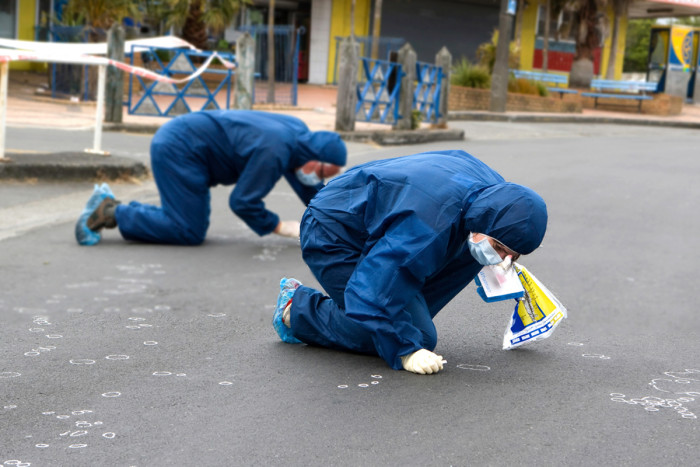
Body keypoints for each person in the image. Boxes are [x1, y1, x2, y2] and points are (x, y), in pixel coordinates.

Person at [271, 150, 548, 375]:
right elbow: (373, 289)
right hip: (334, 232)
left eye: (512, 255)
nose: (503, 259)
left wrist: (506, 267)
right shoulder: (427, 227)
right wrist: (406, 348)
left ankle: (388, 319)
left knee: (468, 257)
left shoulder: (494, 196)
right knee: (416, 336)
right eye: (500, 248)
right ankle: (296, 310)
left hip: (374, 216)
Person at [75, 110, 347, 246]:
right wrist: (278, 226)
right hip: (179, 149)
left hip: (187, 144)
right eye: (323, 173)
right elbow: (242, 202)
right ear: (316, 158)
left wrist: (336, 224)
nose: (318, 178)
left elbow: (309, 187)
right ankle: (111, 212)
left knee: (184, 221)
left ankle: (114, 207)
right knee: (188, 231)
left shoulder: (298, 136)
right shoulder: (274, 151)